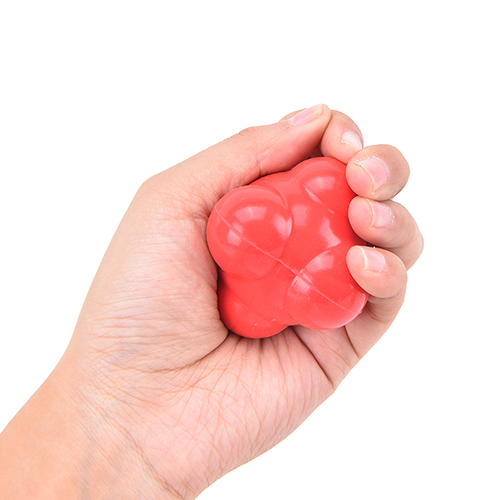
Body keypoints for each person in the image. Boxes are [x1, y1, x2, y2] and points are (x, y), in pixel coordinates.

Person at [0, 104, 423, 499]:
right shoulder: (289, 211)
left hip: (287, 286)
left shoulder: (324, 188)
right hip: (257, 301)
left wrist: (125, 429)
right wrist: (120, 412)